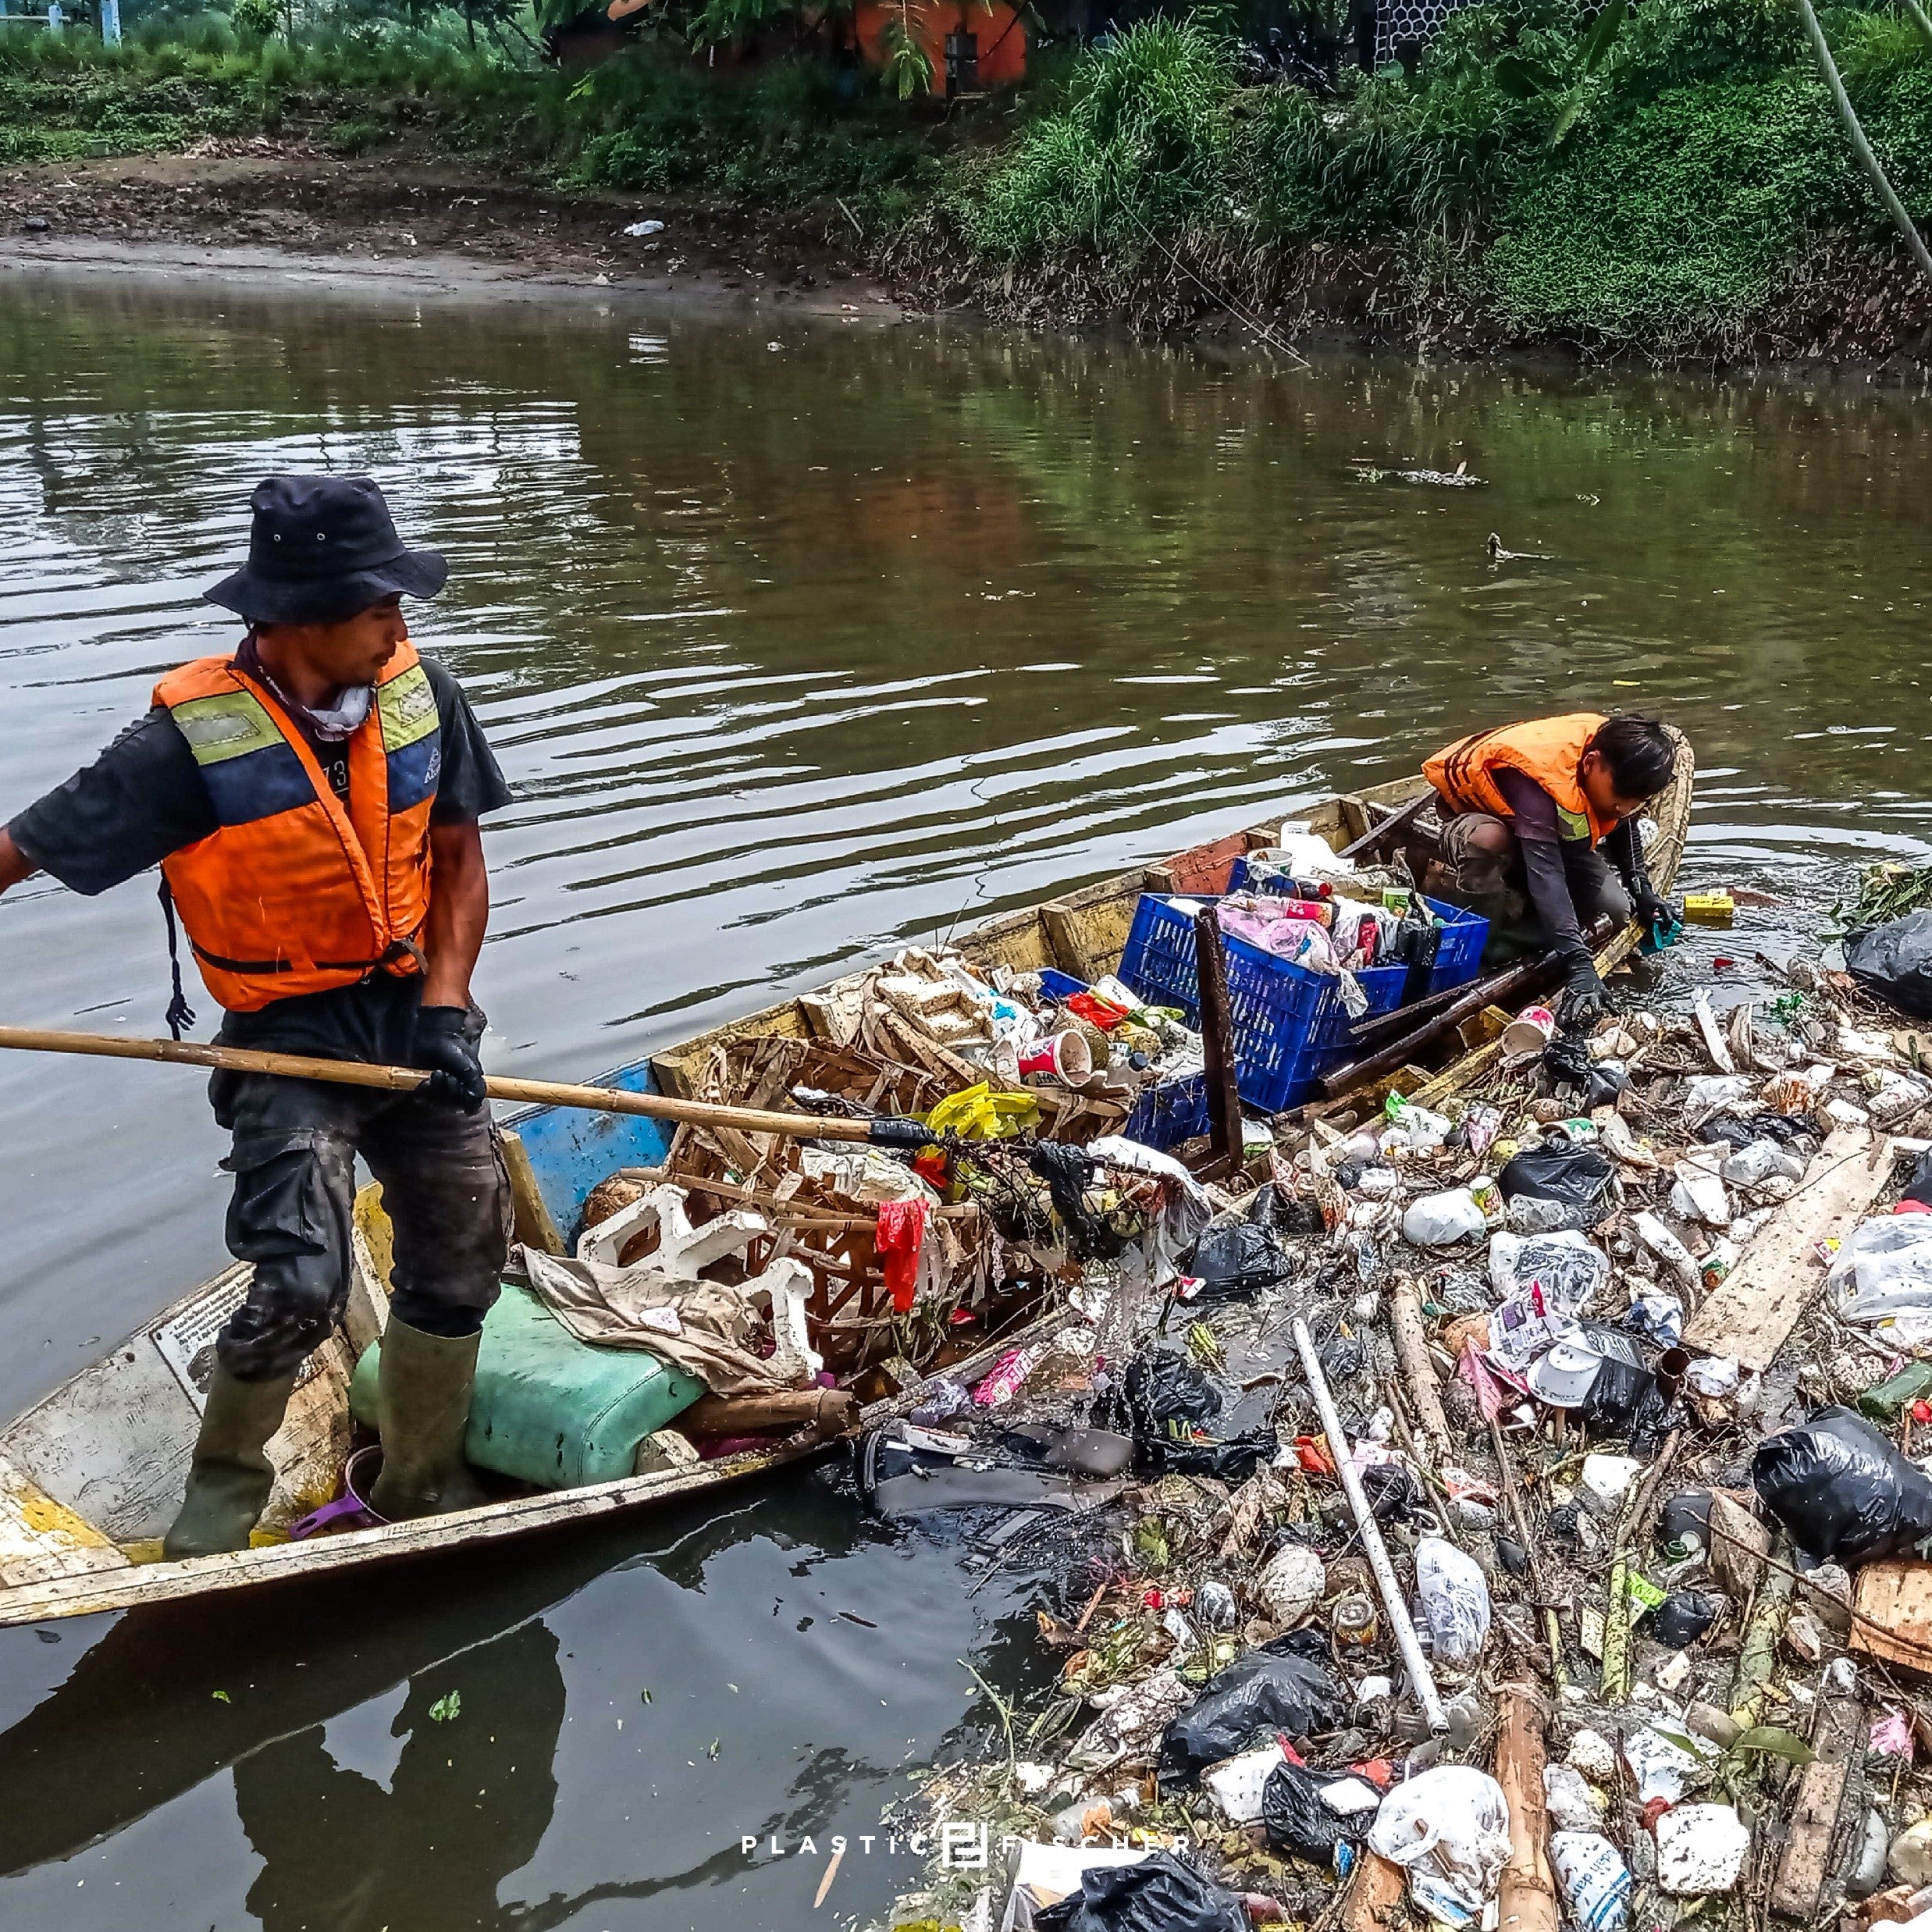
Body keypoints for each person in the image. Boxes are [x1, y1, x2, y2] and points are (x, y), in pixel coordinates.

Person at [0, 475, 514, 1557]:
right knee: (297, 1281)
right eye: (379, 606)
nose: (400, 625)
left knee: (466, 1243)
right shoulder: (184, 747)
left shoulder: (424, 692)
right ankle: (212, 1522)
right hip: (288, 1036)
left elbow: (461, 860)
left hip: (416, 1020)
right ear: (298, 620)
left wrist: (445, 1004)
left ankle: (426, 1484)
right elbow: (19, 851)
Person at [1421, 711, 1681, 1027]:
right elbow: (1547, 877)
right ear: (1590, 764)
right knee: (1490, 840)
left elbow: (1624, 825)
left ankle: (1524, 938)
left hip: (1549, 836)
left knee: (1616, 909)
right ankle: (1484, 952)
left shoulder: (1619, 764)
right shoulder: (1539, 778)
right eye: (1621, 797)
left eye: (1636, 801)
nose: (1625, 807)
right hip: (1482, 824)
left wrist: (1642, 890)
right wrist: (1578, 961)